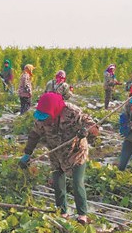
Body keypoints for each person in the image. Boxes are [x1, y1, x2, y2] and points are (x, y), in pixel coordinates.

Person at [19, 92, 99, 224]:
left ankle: (82, 215)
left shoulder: (73, 112)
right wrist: (27, 153)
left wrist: (86, 131)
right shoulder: (41, 119)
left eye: (46, 118)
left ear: (54, 111)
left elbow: (94, 128)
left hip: (76, 152)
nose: (43, 121)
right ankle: (62, 212)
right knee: (57, 182)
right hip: (56, 153)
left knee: (77, 183)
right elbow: (34, 135)